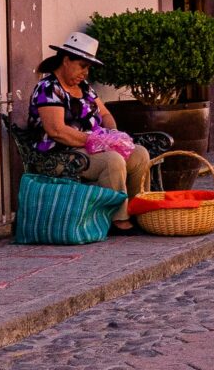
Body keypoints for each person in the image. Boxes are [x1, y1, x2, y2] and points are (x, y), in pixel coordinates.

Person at [27, 30, 151, 230]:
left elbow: (106, 115)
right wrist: (94, 142)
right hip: (59, 154)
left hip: (90, 148)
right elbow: (57, 130)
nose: (85, 73)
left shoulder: (85, 87)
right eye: (82, 66)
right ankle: (118, 219)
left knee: (139, 154)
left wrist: (112, 136)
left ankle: (139, 212)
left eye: (88, 68)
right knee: (112, 160)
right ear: (66, 60)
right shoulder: (48, 88)